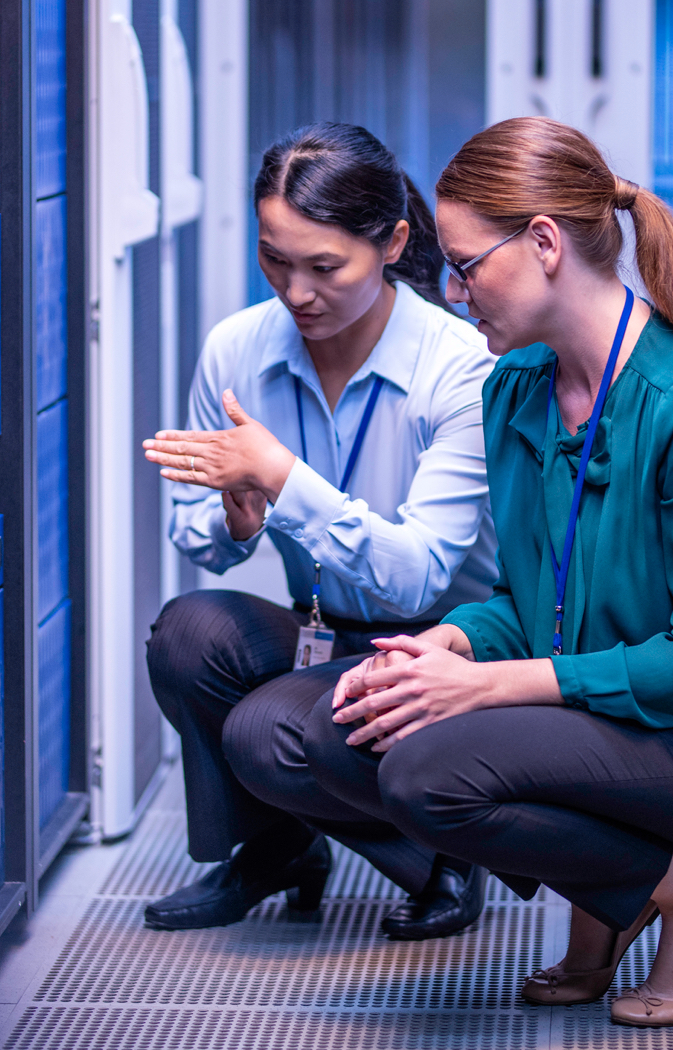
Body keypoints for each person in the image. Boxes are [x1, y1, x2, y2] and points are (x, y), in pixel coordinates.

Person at [225, 116, 673, 1027]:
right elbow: (530, 598)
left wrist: (481, 688)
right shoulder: (517, 387)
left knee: (428, 769)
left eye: (466, 265)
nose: (451, 291)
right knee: (342, 729)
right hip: (607, 701)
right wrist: (447, 641)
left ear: (545, 243)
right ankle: (614, 895)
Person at [140, 122, 498, 941]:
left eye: (325, 267)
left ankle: (446, 848)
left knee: (266, 731)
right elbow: (191, 529)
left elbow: (416, 578)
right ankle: (279, 849)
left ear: (394, 242)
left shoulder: (459, 365)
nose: (295, 292)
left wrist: (282, 479)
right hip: (324, 631)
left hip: (441, 645)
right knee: (187, 635)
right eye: (275, 259)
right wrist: (235, 521)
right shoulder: (236, 349)